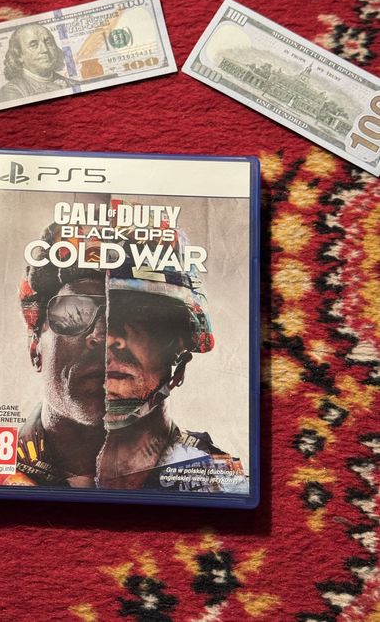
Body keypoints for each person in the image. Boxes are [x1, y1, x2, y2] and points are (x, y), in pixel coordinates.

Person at [13, 211, 248, 494]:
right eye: (75, 310)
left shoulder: (224, 487)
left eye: (142, 314)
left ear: (180, 361)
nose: (105, 336)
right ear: (35, 347)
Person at [0, 23, 78, 103]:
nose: (45, 49)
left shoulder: (74, 84)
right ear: (19, 55)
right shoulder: (9, 93)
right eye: (34, 45)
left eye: (48, 43)